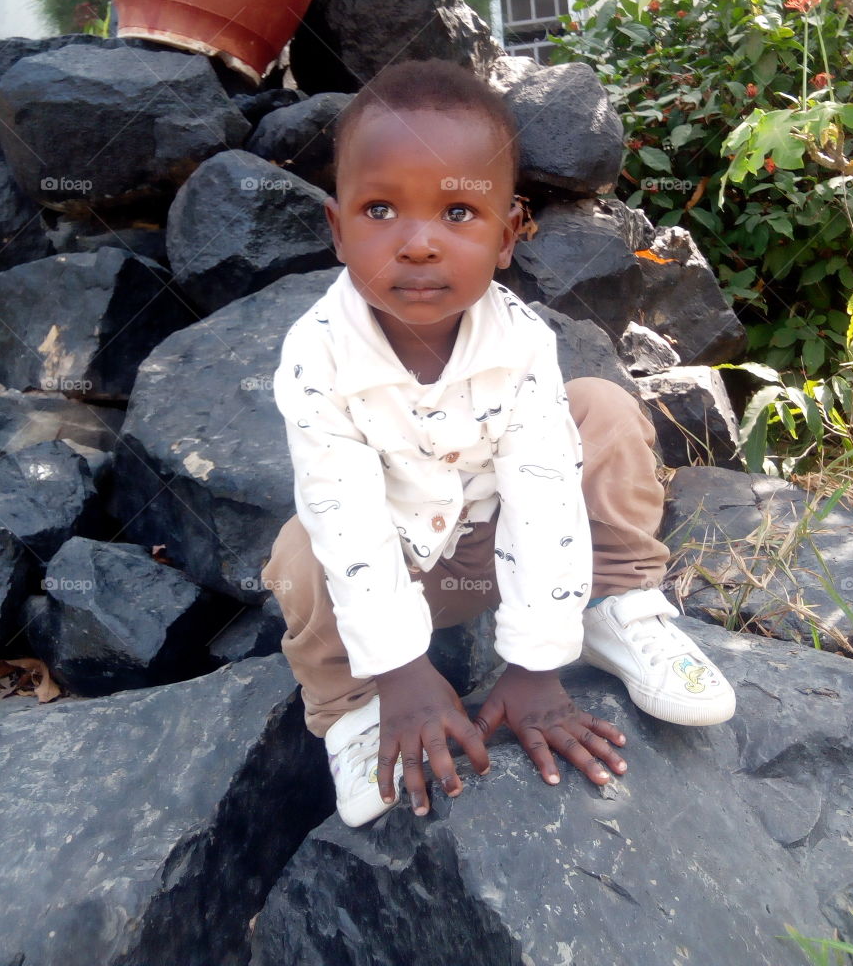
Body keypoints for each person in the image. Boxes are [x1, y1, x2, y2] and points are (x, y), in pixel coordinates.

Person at [261, 59, 735, 828]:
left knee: (604, 410)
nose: (419, 244)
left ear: (508, 234)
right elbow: (343, 516)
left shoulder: (521, 342)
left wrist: (536, 666)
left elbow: (545, 496)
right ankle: (353, 706)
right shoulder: (317, 356)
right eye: (381, 210)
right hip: (404, 570)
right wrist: (403, 673)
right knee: (299, 547)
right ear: (337, 229)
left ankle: (613, 603)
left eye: (457, 212)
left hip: (505, 548)